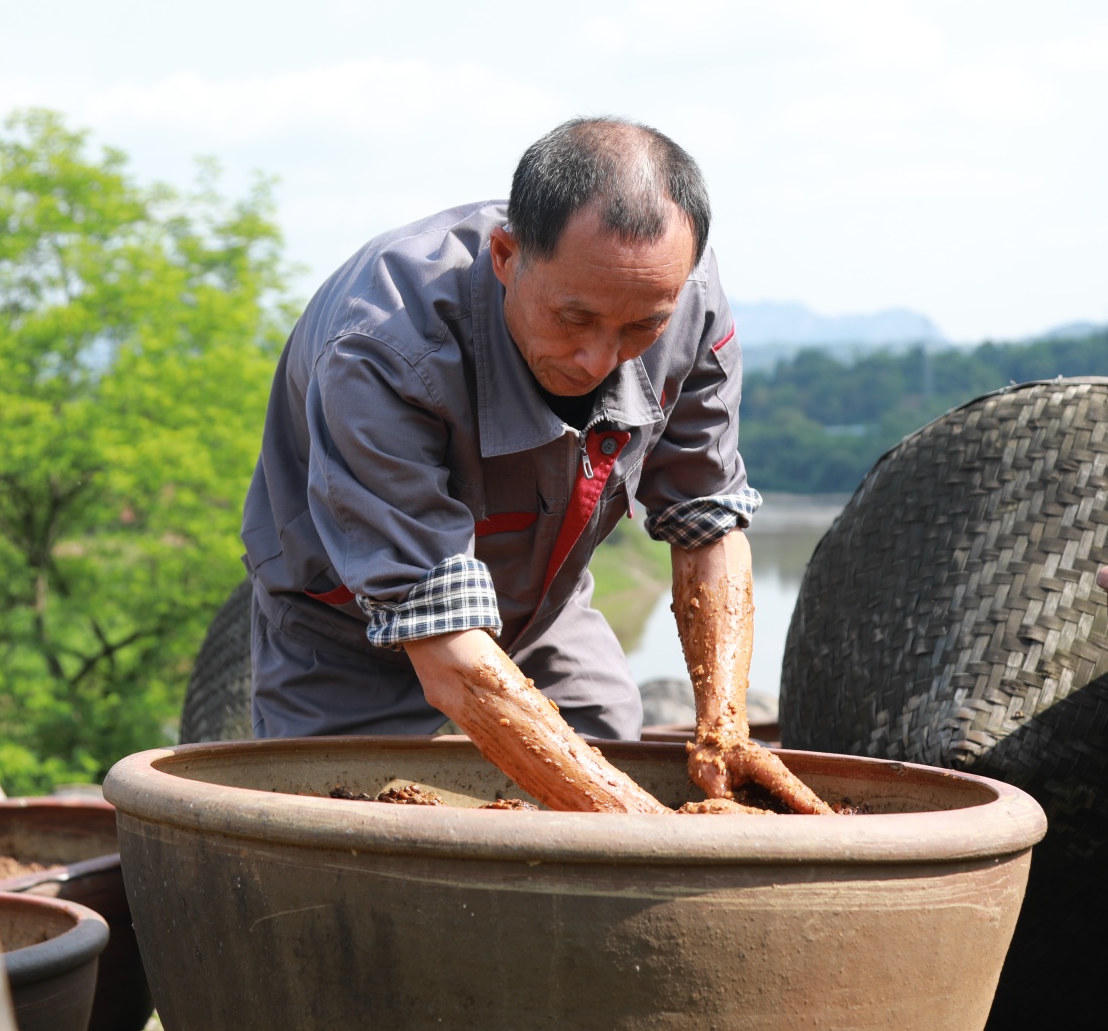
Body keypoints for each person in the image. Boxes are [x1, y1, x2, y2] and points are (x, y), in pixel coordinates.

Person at [241, 117, 785, 811]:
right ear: (505, 255)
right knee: (338, 830)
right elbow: (451, 660)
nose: (599, 359)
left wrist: (725, 734)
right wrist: (647, 830)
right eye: (574, 319)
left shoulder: (684, 300)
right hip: (345, 627)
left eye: (640, 327)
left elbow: (706, 521)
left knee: (609, 755)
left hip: (543, 608)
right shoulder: (381, 346)